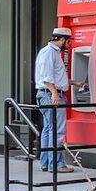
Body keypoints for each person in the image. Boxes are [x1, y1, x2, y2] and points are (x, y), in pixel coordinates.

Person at [34, 28, 72, 172]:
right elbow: (47, 77)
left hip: (46, 94)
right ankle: (56, 164)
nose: (69, 45)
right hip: (50, 95)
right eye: (68, 41)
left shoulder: (51, 52)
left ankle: (46, 163)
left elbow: (54, 76)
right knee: (57, 130)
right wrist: (55, 93)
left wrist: (72, 83)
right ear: (62, 40)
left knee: (49, 129)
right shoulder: (49, 53)